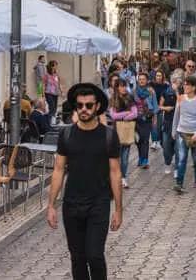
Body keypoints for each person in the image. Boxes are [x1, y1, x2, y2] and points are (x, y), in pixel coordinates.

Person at [47, 84, 121, 280]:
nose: (84, 110)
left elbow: (115, 172)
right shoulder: (67, 134)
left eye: (89, 105)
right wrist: (51, 205)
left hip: (99, 203)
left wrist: (119, 210)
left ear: (97, 107)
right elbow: (58, 170)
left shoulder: (109, 135)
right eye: (80, 106)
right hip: (72, 204)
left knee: (95, 255)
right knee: (77, 258)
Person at [171, 75, 196, 192]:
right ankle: (179, 183)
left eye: (187, 84)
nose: (185, 86)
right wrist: (174, 130)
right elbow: (176, 115)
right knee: (182, 158)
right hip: (182, 132)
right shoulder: (180, 98)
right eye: (184, 84)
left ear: (194, 87)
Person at [107, 80, 137, 189]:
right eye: (121, 86)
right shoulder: (113, 99)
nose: (124, 88)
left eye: (125, 86)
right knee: (116, 156)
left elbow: (135, 113)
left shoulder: (130, 98)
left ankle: (123, 177)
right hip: (116, 131)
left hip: (127, 130)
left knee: (125, 156)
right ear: (117, 87)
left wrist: (125, 117)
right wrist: (127, 114)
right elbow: (113, 116)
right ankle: (114, 177)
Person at [132, 73, 157, 170]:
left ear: (147, 81)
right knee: (138, 140)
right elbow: (130, 104)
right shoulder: (134, 91)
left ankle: (145, 160)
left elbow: (155, 105)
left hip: (147, 118)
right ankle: (140, 157)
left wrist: (155, 118)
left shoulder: (151, 91)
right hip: (136, 118)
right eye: (140, 79)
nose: (141, 81)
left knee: (145, 140)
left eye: (143, 79)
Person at [158, 74, 180, 174]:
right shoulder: (165, 92)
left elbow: (182, 103)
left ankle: (177, 167)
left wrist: (176, 92)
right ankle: (168, 162)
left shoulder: (182, 92)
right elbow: (160, 106)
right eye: (175, 81)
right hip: (167, 122)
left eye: (178, 81)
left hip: (179, 123)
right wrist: (166, 108)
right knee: (166, 145)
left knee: (178, 146)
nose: (177, 83)